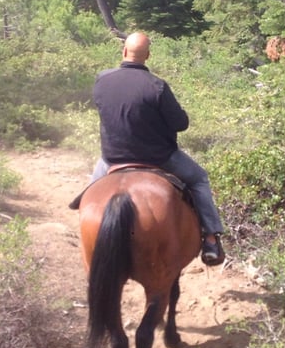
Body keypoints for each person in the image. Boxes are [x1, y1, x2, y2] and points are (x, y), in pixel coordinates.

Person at [91, 31, 225, 266]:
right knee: (199, 179)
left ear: (123, 52)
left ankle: (87, 233)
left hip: (112, 158)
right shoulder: (158, 86)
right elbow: (181, 124)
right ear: (148, 56)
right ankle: (211, 239)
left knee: (91, 195)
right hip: (158, 158)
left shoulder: (102, 80)